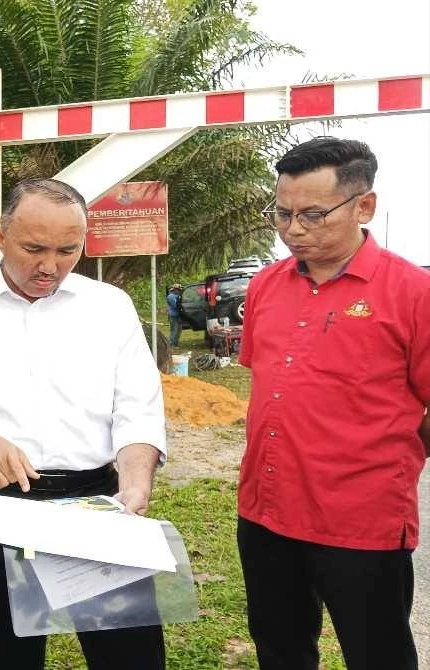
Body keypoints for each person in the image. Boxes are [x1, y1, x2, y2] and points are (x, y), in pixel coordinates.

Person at [0, 178, 168, 670]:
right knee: (9, 656)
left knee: (129, 654)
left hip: (95, 500)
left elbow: (138, 410)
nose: (50, 266)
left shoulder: (109, 307)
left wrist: (135, 483)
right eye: (33, 248)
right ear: (0, 235)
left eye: (68, 250)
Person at [238, 136, 430, 669]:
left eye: (313, 214)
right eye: (282, 214)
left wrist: (382, 462)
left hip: (360, 524)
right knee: (280, 649)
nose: (293, 230)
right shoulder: (265, 287)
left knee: (377, 654)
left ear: (363, 205)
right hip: (266, 513)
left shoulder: (413, 292)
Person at [166, 283, 183, 347]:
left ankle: (175, 343)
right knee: (174, 330)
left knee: (179, 330)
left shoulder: (177, 296)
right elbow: (175, 305)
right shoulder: (171, 296)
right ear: (175, 289)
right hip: (173, 315)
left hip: (178, 315)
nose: (179, 291)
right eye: (178, 290)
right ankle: (171, 344)